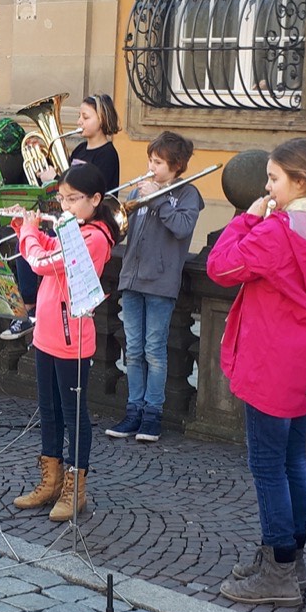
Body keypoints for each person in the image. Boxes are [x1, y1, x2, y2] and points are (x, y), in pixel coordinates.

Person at [206, 138, 306, 607]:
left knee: (268, 465)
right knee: (293, 460)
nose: (268, 187)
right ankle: (291, 557)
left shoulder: (279, 231)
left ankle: (278, 572)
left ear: (300, 181)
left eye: (274, 179)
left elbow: (220, 267)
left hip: (271, 361)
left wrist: (247, 218)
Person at [10, 163, 119, 521]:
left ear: (95, 199)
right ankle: (51, 480)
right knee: (49, 409)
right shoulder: (74, 228)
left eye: (73, 199)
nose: (65, 206)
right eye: (62, 199)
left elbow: (42, 262)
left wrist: (29, 232)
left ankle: (75, 488)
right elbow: (50, 247)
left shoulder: (95, 238)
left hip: (72, 338)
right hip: (47, 331)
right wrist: (24, 227)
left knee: (73, 414)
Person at [107, 131, 204, 444]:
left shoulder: (187, 195)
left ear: (176, 165)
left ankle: (152, 414)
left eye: (158, 162)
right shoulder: (141, 189)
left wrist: (158, 198)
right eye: (150, 160)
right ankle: (133, 410)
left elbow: (182, 228)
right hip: (132, 279)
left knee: (154, 351)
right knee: (133, 350)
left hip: (161, 283)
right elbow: (126, 231)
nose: (151, 167)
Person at [4, 94, 121, 341]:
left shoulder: (108, 155)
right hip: (68, 218)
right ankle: (30, 306)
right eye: (79, 116)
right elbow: (67, 183)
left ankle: (31, 309)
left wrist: (55, 180)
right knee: (24, 244)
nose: (79, 122)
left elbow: (89, 190)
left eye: (85, 117)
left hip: (86, 225)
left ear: (102, 119)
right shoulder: (79, 149)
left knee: (39, 256)